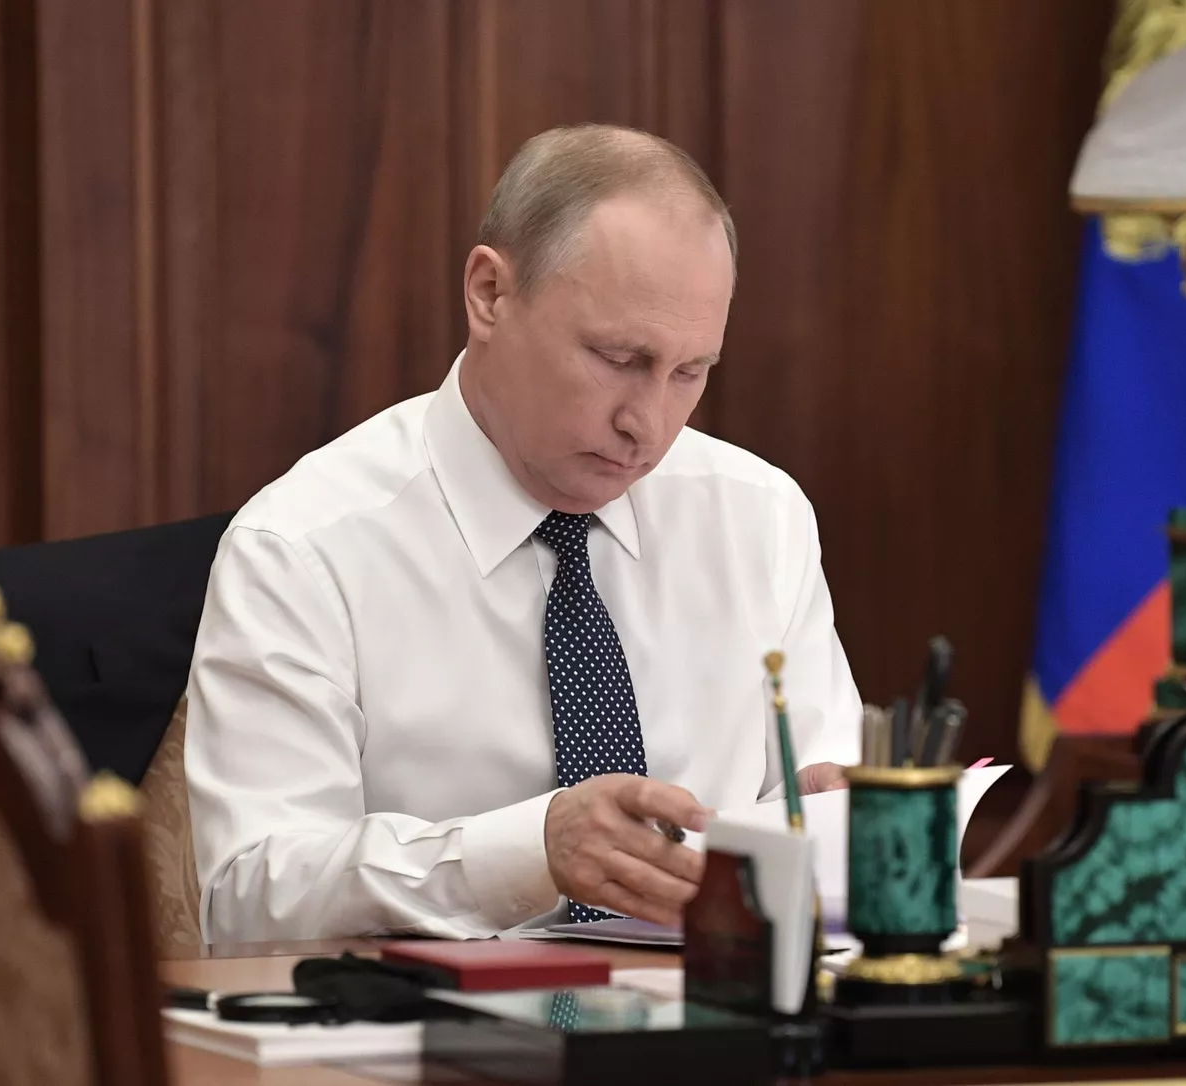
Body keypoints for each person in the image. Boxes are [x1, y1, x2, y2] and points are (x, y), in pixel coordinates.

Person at [186, 124, 861, 942]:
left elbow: (816, 787)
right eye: (618, 358)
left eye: (690, 373)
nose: (648, 424)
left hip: (721, 1002)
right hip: (426, 1017)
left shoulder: (759, 515)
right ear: (490, 295)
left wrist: (840, 823)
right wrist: (528, 853)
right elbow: (250, 902)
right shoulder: (302, 549)